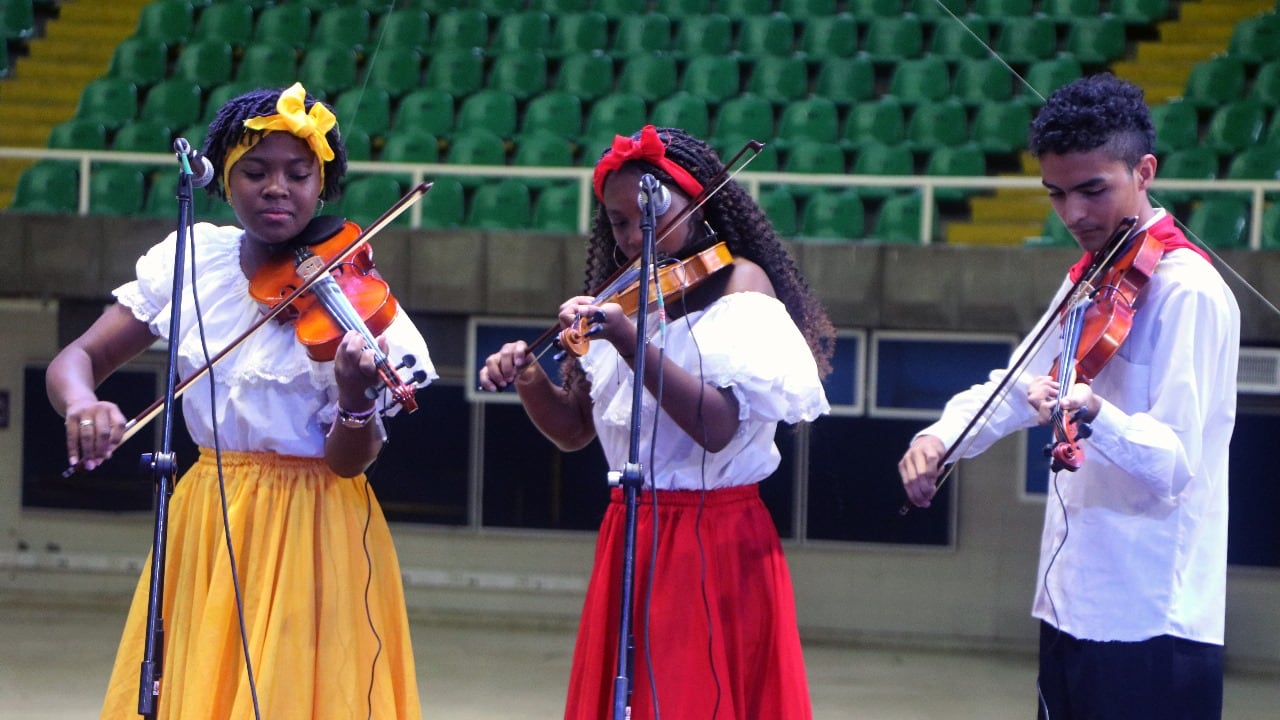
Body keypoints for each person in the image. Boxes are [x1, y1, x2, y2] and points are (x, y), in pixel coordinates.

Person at [45, 83, 433, 719]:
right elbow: (76, 359)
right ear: (224, 181)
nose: (277, 187)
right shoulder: (194, 261)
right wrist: (83, 402)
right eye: (255, 171)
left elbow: (348, 461)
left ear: (322, 185)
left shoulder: (360, 308)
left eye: (298, 174)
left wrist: (357, 398)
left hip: (314, 525)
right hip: (207, 510)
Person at [897, 73, 1239, 720]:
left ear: (1144, 170)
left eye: (1092, 190)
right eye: (1056, 194)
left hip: (1151, 614)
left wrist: (1094, 412)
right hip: (1069, 600)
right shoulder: (1089, 279)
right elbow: (1019, 381)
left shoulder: (1188, 290)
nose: (1073, 215)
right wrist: (940, 438)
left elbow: (1175, 464)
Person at [479, 126, 834, 719]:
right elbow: (574, 430)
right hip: (631, 529)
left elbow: (717, 427)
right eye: (616, 221)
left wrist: (626, 339)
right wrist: (530, 379)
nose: (630, 233)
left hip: (712, 532)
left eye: (647, 210)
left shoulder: (740, 284)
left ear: (696, 200)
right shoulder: (626, 296)